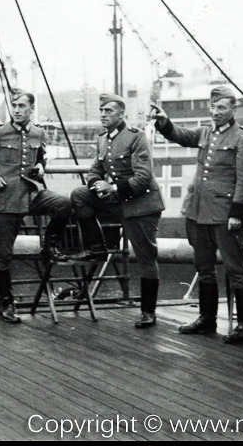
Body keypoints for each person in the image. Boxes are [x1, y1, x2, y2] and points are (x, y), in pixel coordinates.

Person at [149, 86, 243, 343]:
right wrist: (164, 122)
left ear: (233, 109)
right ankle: (207, 319)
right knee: (203, 267)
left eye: (221, 107)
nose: (215, 112)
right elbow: (181, 135)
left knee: (234, 268)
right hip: (197, 211)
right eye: (213, 106)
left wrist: (237, 213)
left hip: (223, 215)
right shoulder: (205, 132)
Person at [0, 91, 73, 324]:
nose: (16, 109)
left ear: (31, 109)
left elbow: (40, 155)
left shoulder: (38, 132)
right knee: (2, 254)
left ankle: (49, 247)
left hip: (31, 194)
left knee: (63, 204)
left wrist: (41, 166)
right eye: (13, 105)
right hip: (4, 199)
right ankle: (7, 304)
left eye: (21, 106)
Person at [70, 93, 165, 328]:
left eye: (108, 111)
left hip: (141, 204)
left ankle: (148, 312)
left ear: (121, 114)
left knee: (145, 256)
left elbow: (142, 177)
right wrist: (96, 186)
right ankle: (96, 247)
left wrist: (111, 187)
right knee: (79, 195)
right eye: (101, 111)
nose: (103, 115)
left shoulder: (136, 137)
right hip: (118, 201)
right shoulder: (102, 139)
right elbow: (95, 169)